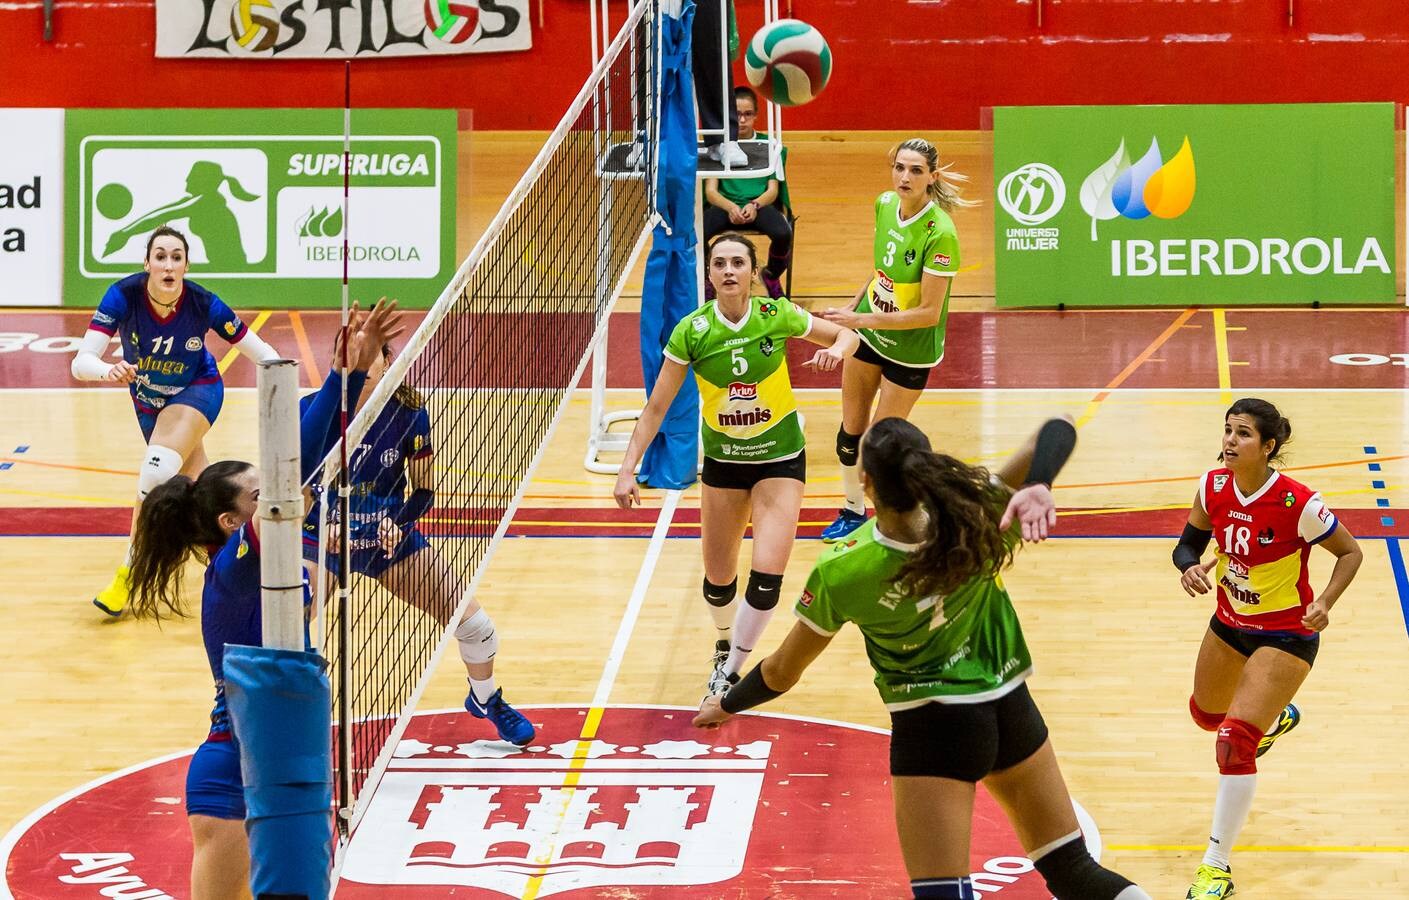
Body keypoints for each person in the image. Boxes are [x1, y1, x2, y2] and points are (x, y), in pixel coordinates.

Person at [695, 416, 1152, 900]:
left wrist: (728, 702)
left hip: (933, 729)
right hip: (1011, 710)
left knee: (944, 894)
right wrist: (1039, 483)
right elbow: (1057, 429)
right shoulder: (976, 513)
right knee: (1074, 872)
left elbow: (783, 671)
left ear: (866, 481)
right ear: (928, 466)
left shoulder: (844, 569)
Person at [124, 298, 401, 900]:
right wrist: (341, 376)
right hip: (232, 770)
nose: (276, 495)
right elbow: (292, 468)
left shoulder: (271, 553)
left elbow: (309, 459)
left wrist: (351, 380)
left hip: (281, 756)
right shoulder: (235, 564)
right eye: (260, 493)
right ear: (232, 519)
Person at [614, 232, 858, 696]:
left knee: (767, 579)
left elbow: (847, 333)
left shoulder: (776, 314)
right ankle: (726, 642)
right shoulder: (693, 331)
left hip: (780, 459)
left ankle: (729, 674)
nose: (728, 270)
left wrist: (835, 351)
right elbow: (656, 407)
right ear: (708, 274)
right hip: (724, 463)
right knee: (719, 582)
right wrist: (629, 468)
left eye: (737, 263)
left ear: (752, 272)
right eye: (719, 263)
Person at [1172, 398, 1362, 900]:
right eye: (1228, 430)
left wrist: (1325, 600)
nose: (1230, 441)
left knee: (1233, 743)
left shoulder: (1298, 502)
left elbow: (1350, 551)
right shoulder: (1211, 486)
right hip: (1229, 623)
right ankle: (1275, 719)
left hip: (1287, 635)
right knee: (1204, 714)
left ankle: (1216, 868)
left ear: (1268, 446)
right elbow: (1187, 543)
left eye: (1243, 434)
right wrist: (1188, 565)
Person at [301, 341, 534, 746]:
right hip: (322, 540)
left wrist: (400, 523)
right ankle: (288, 724)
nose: (357, 363)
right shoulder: (311, 412)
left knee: (476, 627)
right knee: (284, 631)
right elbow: (290, 492)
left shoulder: (409, 415)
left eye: (367, 353)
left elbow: (424, 489)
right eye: (347, 356)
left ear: (388, 361)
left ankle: (485, 698)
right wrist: (320, 524)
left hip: (385, 540)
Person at [72, 225, 279, 617]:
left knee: (155, 472)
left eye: (176, 257)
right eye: (161, 256)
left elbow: (259, 350)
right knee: (203, 491)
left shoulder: (203, 302)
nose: (168, 264)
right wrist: (107, 371)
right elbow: (81, 362)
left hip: (197, 389)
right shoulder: (122, 295)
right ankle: (241, 562)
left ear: (185, 266)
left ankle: (128, 575)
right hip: (149, 400)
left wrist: (296, 379)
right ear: (147, 263)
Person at [817, 137, 976, 542]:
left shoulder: (940, 234)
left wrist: (859, 318)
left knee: (880, 445)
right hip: (871, 332)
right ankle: (853, 510)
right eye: (900, 168)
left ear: (932, 177)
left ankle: (902, 516)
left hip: (911, 348)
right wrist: (850, 319)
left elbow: (927, 313)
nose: (905, 177)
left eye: (916, 171)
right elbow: (878, 274)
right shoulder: (885, 205)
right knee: (849, 436)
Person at [703, 86, 792, 300]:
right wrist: (731, 207)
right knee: (697, 234)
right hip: (725, 206)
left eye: (747, 114)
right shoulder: (718, 146)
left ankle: (771, 275)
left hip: (757, 206)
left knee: (783, 233)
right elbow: (711, 192)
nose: (742, 120)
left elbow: (772, 190)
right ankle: (709, 279)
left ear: (756, 115)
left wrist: (755, 205)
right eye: (737, 114)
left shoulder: (770, 145)